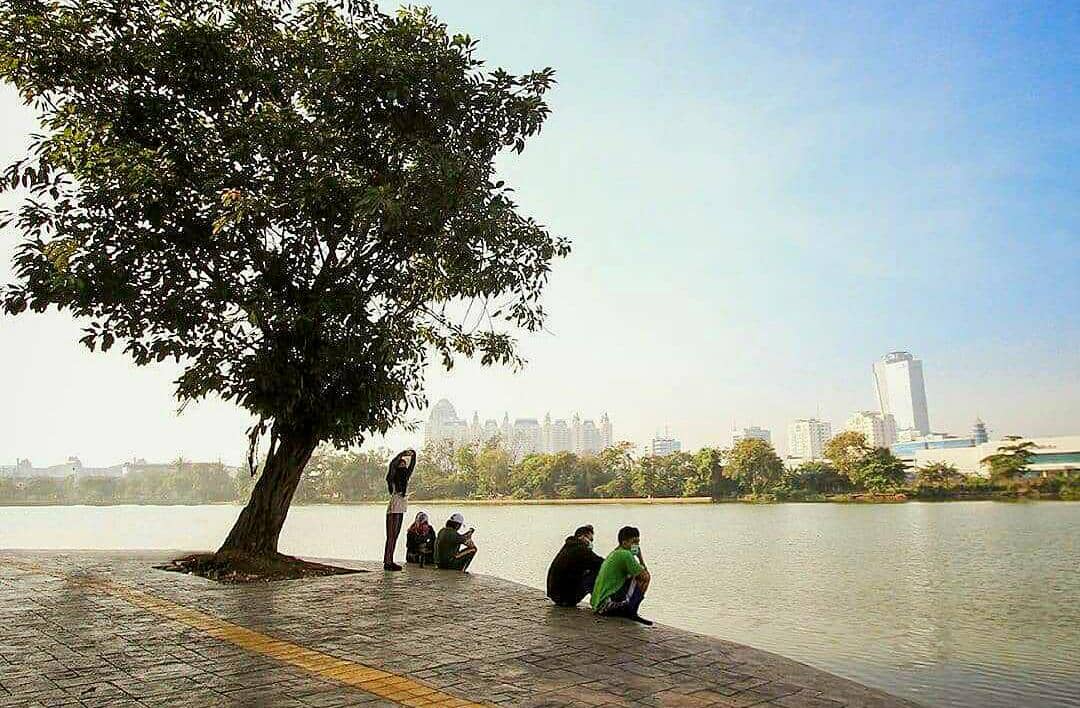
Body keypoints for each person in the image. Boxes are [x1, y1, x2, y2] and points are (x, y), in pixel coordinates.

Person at [591, 525, 652, 625]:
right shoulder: (625, 554)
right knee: (645, 577)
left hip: (599, 605)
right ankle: (631, 611)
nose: (636, 545)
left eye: (638, 542)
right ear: (624, 542)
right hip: (606, 606)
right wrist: (640, 558)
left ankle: (629, 610)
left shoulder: (615, 553)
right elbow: (644, 575)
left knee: (633, 576)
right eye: (634, 542)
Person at [546, 525, 604, 607]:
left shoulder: (569, 546)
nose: (591, 542)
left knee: (590, 568)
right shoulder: (580, 549)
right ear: (583, 537)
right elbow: (602, 563)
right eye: (591, 539)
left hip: (555, 595)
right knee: (597, 572)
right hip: (566, 598)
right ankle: (599, 603)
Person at [383, 449, 416, 571]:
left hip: (402, 505)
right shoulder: (392, 478)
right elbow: (392, 464)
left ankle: (390, 560)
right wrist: (401, 454)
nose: (403, 465)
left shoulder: (405, 477)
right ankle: (387, 561)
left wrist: (413, 454)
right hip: (395, 504)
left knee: (395, 535)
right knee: (391, 535)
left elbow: (412, 465)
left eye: (404, 464)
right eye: (401, 464)